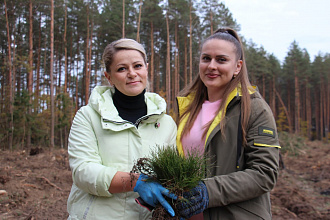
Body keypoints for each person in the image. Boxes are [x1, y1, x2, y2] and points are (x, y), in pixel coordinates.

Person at [175, 28, 281, 220]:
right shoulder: (187, 108)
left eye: (221, 60)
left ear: (238, 66)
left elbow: (265, 174)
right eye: (206, 58)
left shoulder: (255, 109)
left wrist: (209, 191)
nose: (211, 66)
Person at [67, 38, 177, 220]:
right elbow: (83, 171)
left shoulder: (166, 123)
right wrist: (135, 182)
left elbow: (170, 175)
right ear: (108, 76)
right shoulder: (88, 116)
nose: (132, 73)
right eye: (122, 69)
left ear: (146, 68)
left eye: (137, 66)